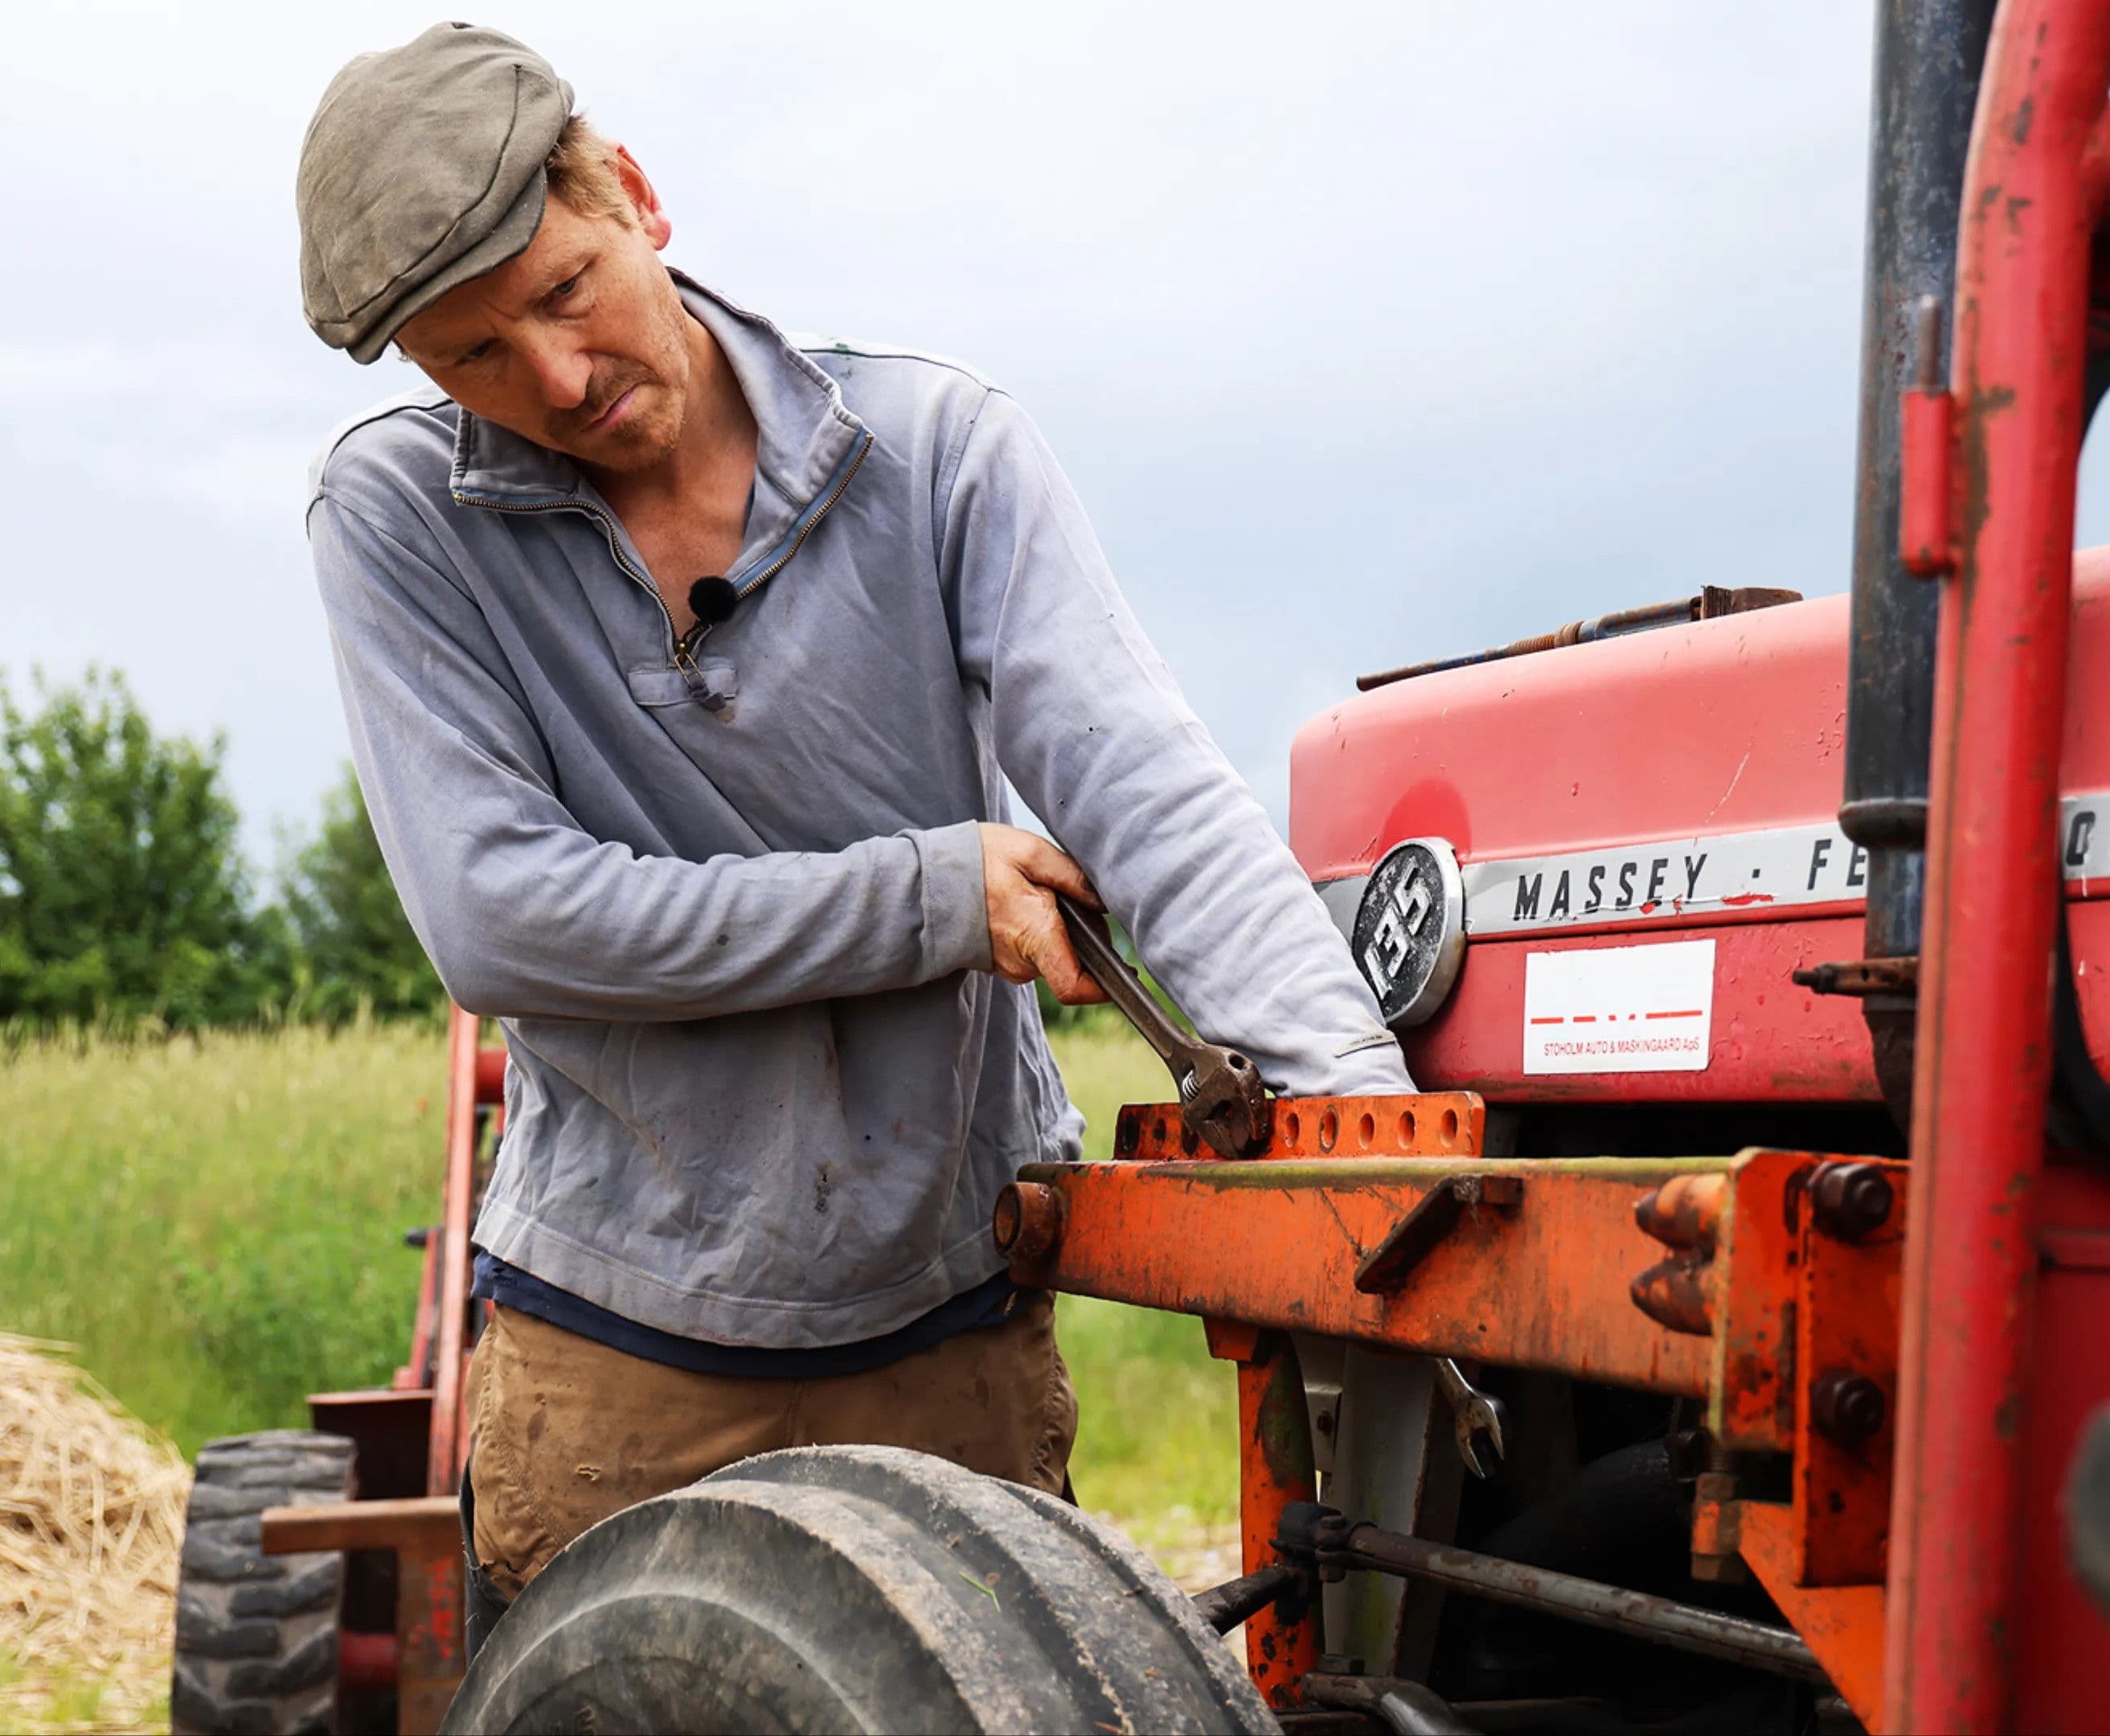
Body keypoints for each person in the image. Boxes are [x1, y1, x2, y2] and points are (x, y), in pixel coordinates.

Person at [292, 23, 1411, 1639]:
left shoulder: (939, 453)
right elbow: (500, 920)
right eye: (472, 358)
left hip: (943, 1341)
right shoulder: (399, 522)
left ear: (636, 198)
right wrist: (926, 897)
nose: (554, 379)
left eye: (561, 292)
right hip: (617, 1366)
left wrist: (1378, 1144)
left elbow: (1150, 800)